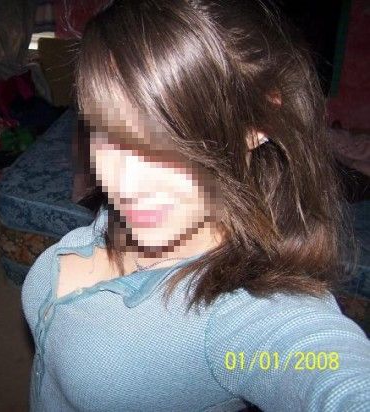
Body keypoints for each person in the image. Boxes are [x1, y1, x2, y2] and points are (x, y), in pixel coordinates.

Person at [21, 0, 370, 410]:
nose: (125, 183)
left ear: (258, 124)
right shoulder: (148, 213)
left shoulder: (251, 315)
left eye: (170, 140)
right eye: (107, 131)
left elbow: (333, 376)